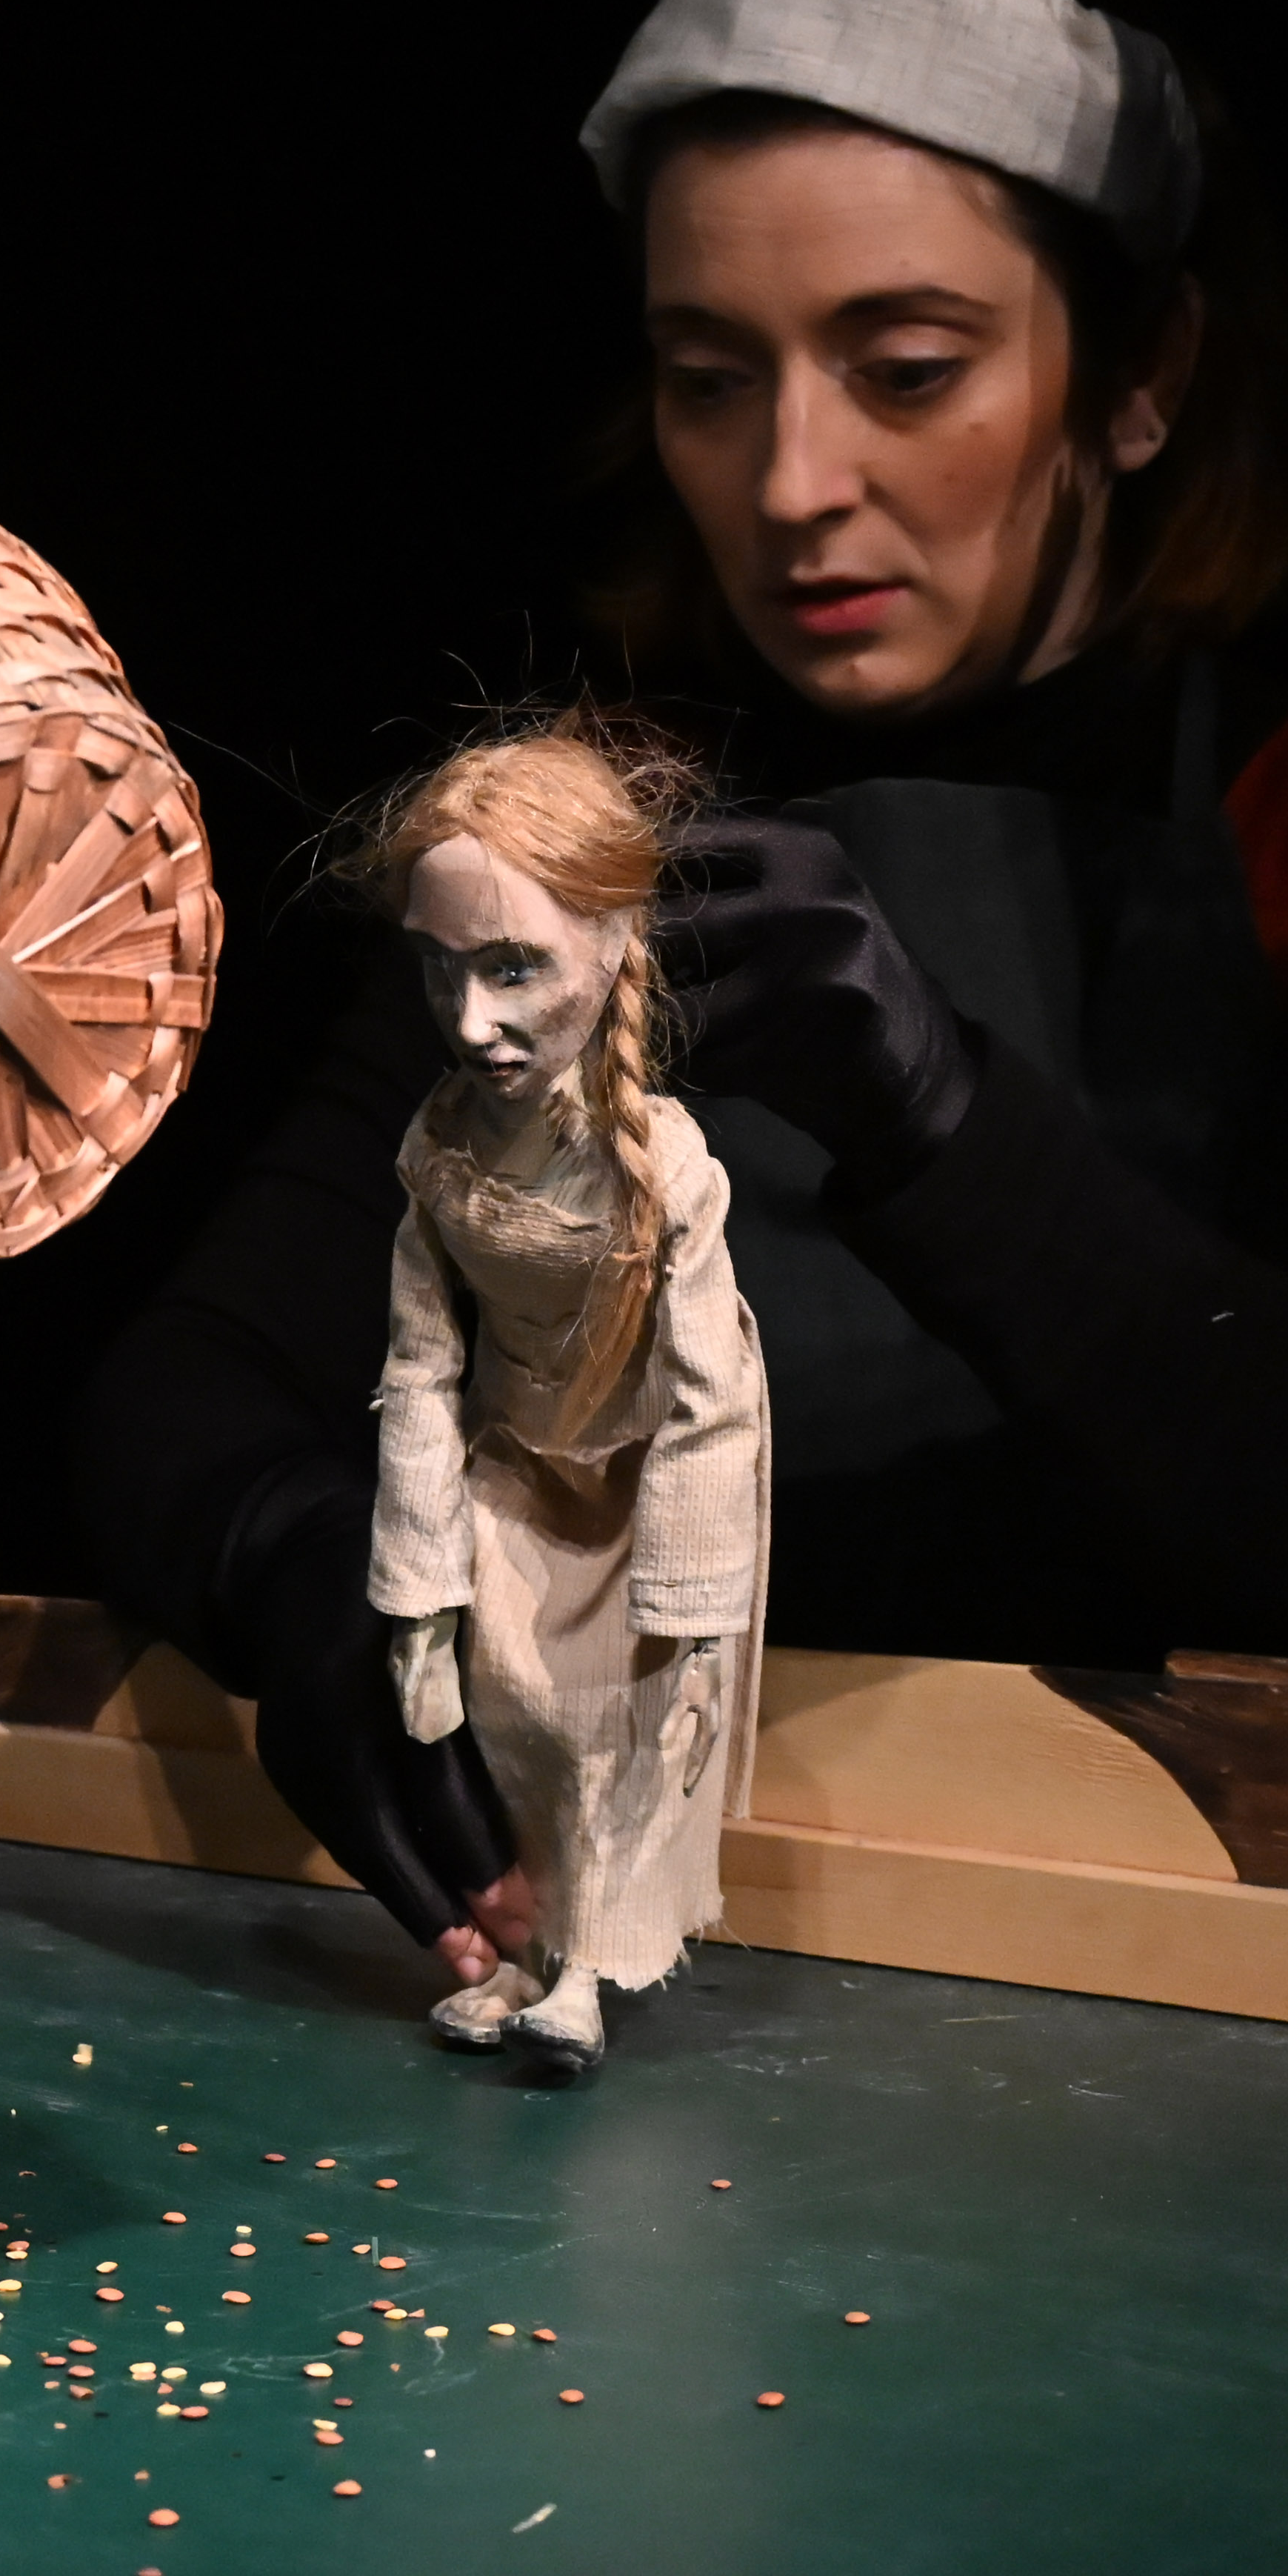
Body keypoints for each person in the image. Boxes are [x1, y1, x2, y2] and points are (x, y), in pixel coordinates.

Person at [90, 0, 1288, 1980]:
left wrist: (930, 1104)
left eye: (911, 372)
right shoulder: (576, 857)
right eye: (712, 381)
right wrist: (305, 1576)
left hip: (1157, 1956)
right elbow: (184, 1389)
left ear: (1143, 375)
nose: (797, 486)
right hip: (623, 1923)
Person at [360, 720, 762, 2074]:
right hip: (515, 1468)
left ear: (613, 944)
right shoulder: (440, 1149)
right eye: (441, 970)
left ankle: (585, 1974)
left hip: (645, 1482)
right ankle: (532, 1956)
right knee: (509, 1712)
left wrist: (694, 1600)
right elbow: (419, 1365)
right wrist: (417, 1577)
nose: (471, 1019)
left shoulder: (664, 1167)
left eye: (513, 966)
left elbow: (711, 1396)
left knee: (612, 1735)